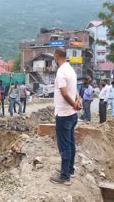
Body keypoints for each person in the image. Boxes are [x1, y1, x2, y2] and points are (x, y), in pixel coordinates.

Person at [50, 47, 81, 186]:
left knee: (64, 146)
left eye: (53, 56)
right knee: (71, 143)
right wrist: (76, 101)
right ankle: (70, 170)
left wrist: (74, 104)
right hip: (72, 115)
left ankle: (64, 176)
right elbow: (74, 90)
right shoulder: (71, 70)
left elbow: (63, 92)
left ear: (56, 56)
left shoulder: (61, 71)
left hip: (64, 114)